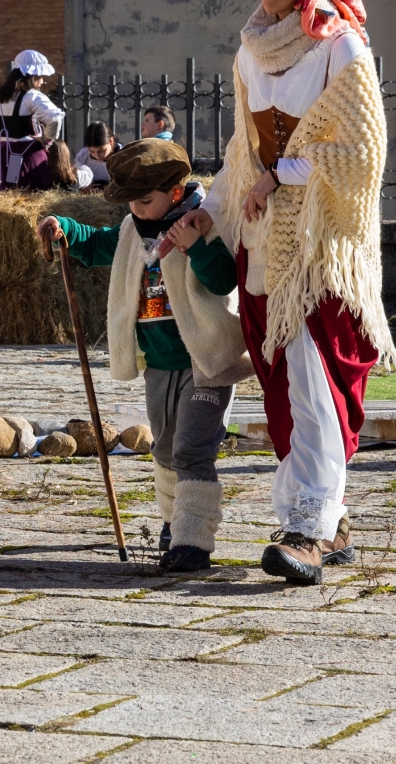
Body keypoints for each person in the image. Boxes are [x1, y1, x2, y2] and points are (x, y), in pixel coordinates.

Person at [166, 0, 396, 586]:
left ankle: (308, 529)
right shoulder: (250, 51)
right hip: (267, 244)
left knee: (317, 380)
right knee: (286, 392)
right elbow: (244, 155)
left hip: (321, 245)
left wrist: (284, 175)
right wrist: (204, 215)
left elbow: (362, 151)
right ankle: (330, 520)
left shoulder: (340, 44)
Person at [36, 139, 253, 572]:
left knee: (193, 449)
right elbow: (99, 245)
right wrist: (64, 226)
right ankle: (175, 525)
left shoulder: (205, 221)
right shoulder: (135, 230)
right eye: (130, 201)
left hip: (206, 361)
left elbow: (225, 279)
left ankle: (194, 542)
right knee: (166, 449)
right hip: (159, 363)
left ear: (176, 191)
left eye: (145, 200)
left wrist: (195, 245)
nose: (136, 209)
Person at [0, 50, 63, 191]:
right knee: (33, 196)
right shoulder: (32, 96)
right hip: (30, 154)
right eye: (40, 76)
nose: (42, 81)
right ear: (33, 77)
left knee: (7, 195)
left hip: (4, 154)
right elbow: (55, 117)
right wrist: (48, 139)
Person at [74, 122, 122, 186]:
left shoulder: (123, 156)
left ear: (111, 141)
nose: (97, 156)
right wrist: (82, 189)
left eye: (101, 151)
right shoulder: (83, 156)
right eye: (92, 151)